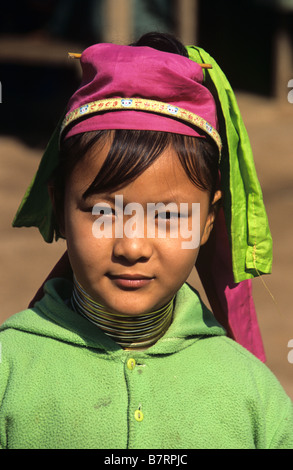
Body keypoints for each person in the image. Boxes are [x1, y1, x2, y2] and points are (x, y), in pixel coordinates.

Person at [0, 32, 292, 449]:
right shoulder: (9, 370)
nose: (132, 248)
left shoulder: (252, 397)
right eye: (104, 212)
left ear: (209, 220)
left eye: (169, 217)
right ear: (60, 206)